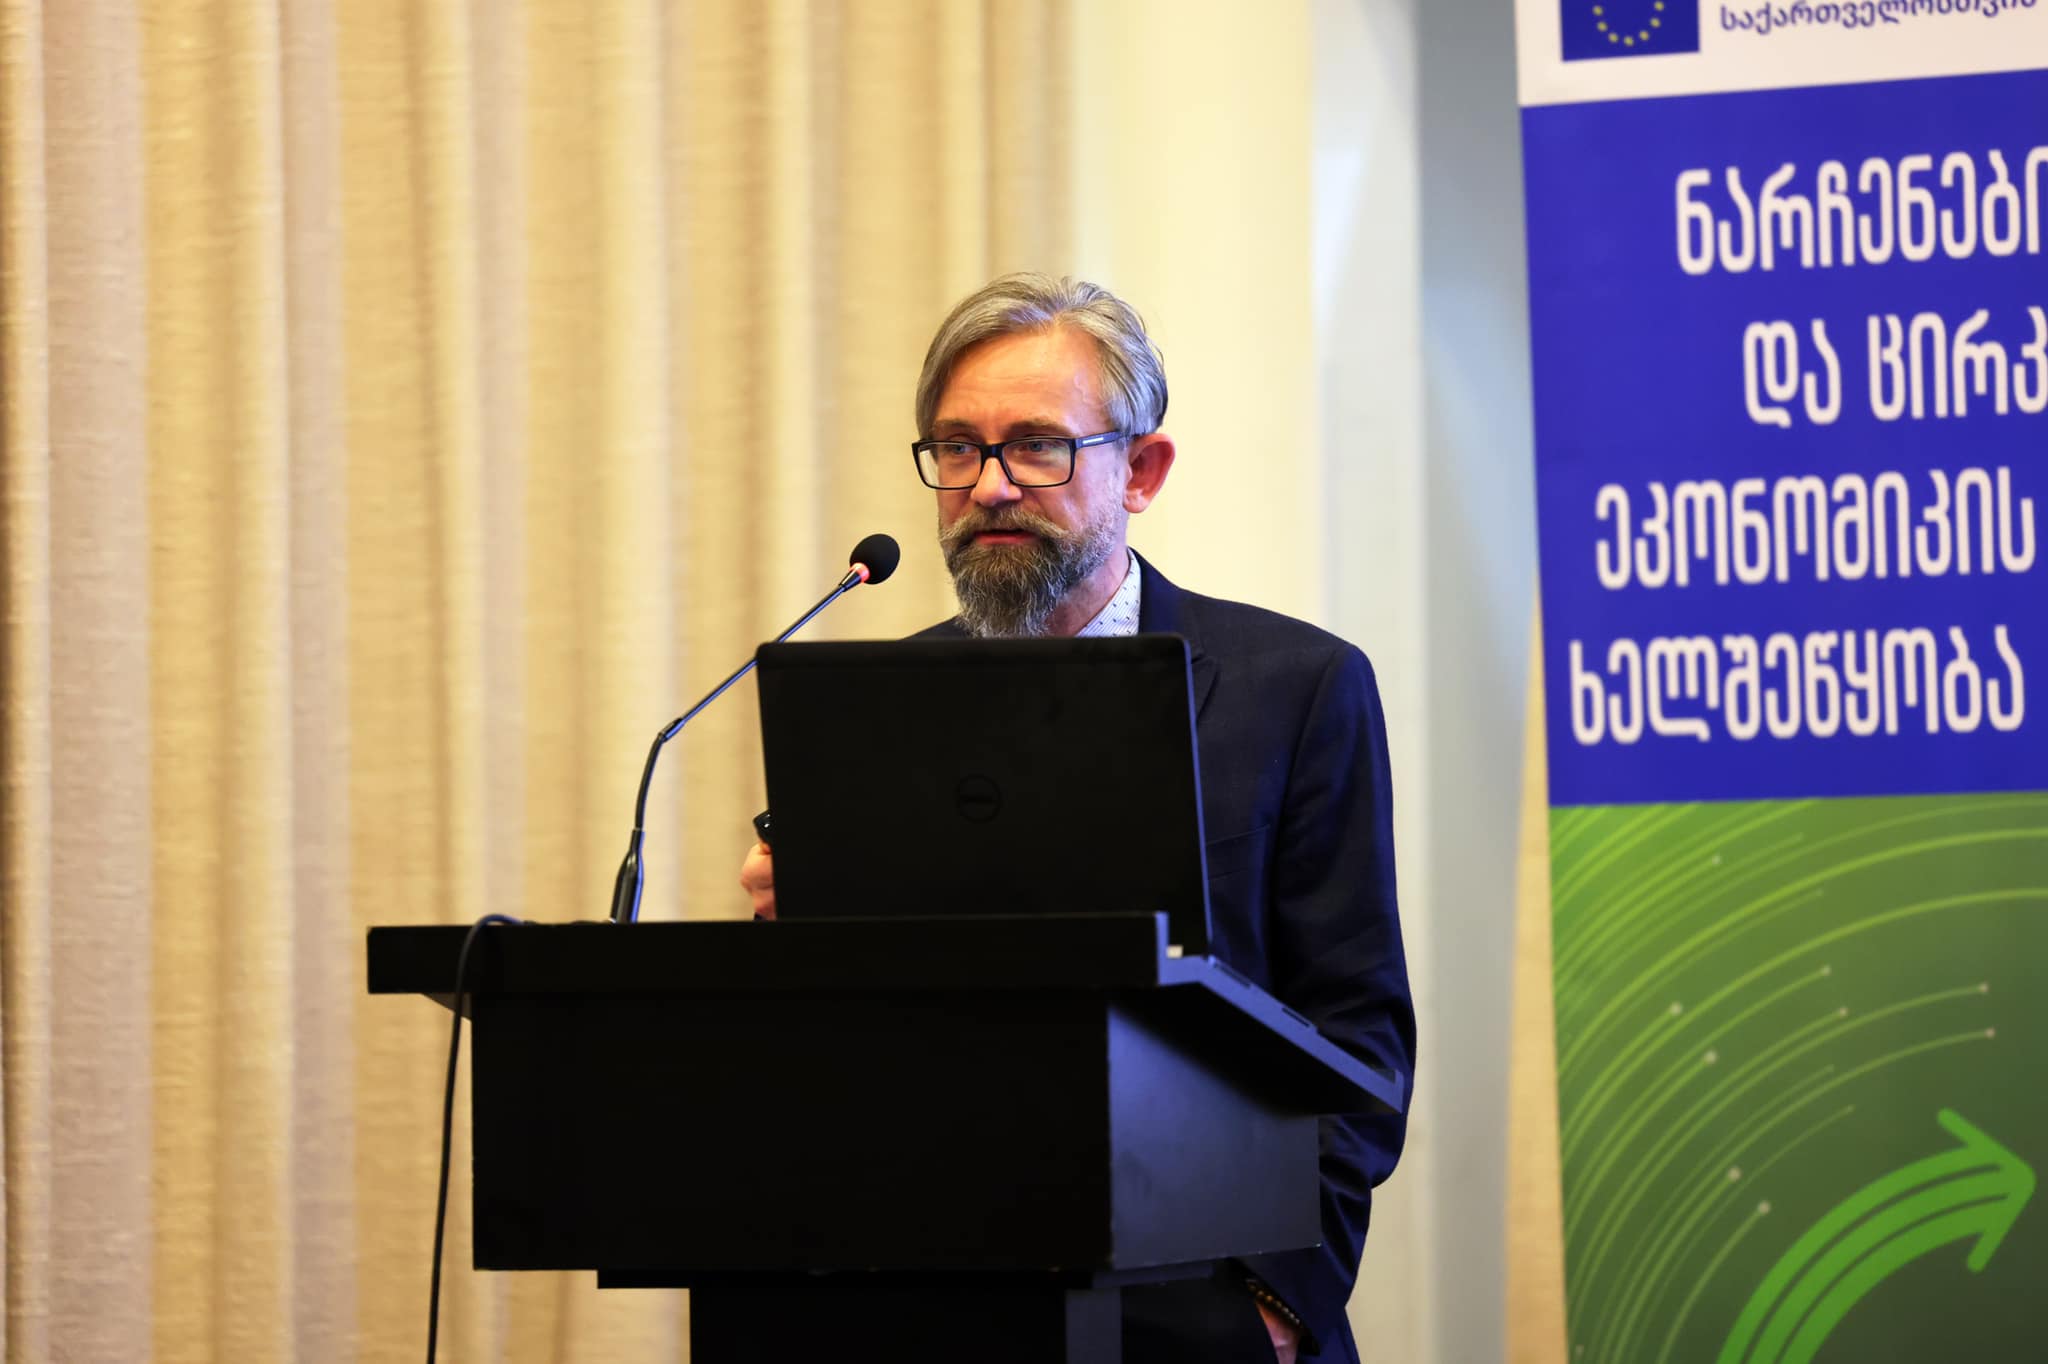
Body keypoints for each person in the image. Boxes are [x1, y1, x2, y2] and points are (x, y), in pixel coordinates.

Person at [740, 273, 1414, 1363]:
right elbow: (848, 1047)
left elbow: (1358, 1038)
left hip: (1203, 1293)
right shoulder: (875, 704)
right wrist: (792, 935)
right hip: (931, 1294)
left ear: (1139, 471)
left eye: (1036, 447)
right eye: (957, 449)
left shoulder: (1295, 688)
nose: (989, 485)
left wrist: (1276, 1304)